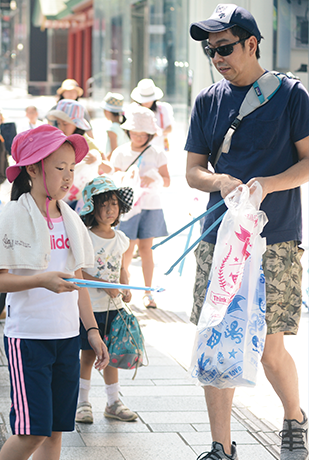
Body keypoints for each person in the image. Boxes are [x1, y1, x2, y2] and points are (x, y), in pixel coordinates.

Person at [185, 4, 309, 460]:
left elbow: (308, 161)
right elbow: (194, 172)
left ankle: (294, 419)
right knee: (215, 339)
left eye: (225, 47)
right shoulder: (207, 101)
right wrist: (220, 181)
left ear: (252, 43)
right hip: (219, 239)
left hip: (274, 238)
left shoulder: (292, 96)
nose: (216, 57)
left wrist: (267, 185)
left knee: (270, 346)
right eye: (209, 49)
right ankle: (220, 447)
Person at [0, 125, 109, 460]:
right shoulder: (13, 214)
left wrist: (92, 330)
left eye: (72, 168)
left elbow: (77, 278)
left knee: (55, 433)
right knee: (31, 432)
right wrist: (41, 280)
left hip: (67, 337)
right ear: (33, 169)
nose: (69, 177)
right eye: (59, 168)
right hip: (29, 339)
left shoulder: (69, 218)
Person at [74, 176, 136, 424]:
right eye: (104, 204)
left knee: (111, 354)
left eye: (114, 204)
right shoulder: (86, 237)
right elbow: (79, 273)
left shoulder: (121, 239)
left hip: (114, 307)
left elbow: (122, 268)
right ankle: (82, 402)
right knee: (88, 355)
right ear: (92, 207)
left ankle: (113, 402)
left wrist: (125, 287)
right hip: (91, 308)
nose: (110, 210)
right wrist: (105, 285)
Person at [111, 106, 170, 309]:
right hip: (127, 208)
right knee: (126, 250)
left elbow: (167, 180)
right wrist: (127, 178)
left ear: (150, 134)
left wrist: (151, 178)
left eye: (142, 133)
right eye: (134, 132)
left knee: (146, 249)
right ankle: (123, 290)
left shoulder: (157, 153)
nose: (137, 136)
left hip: (150, 206)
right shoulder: (120, 153)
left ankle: (148, 292)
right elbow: (113, 180)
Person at [47, 99, 112, 210]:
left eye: (65, 124)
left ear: (77, 125)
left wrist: (97, 160)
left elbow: (109, 169)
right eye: (59, 123)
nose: (61, 127)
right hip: (57, 199)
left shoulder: (89, 144)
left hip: (80, 202)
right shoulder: (57, 141)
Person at [129, 78, 174, 152]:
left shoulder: (163, 109)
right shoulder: (133, 109)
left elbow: (169, 128)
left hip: (159, 149)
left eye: (148, 99)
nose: (146, 102)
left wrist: (157, 132)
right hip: (139, 149)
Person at [100, 92, 128, 158]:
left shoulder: (112, 129)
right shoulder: (124, 126)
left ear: (107, 112)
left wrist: (104, 162)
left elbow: (113, 151)